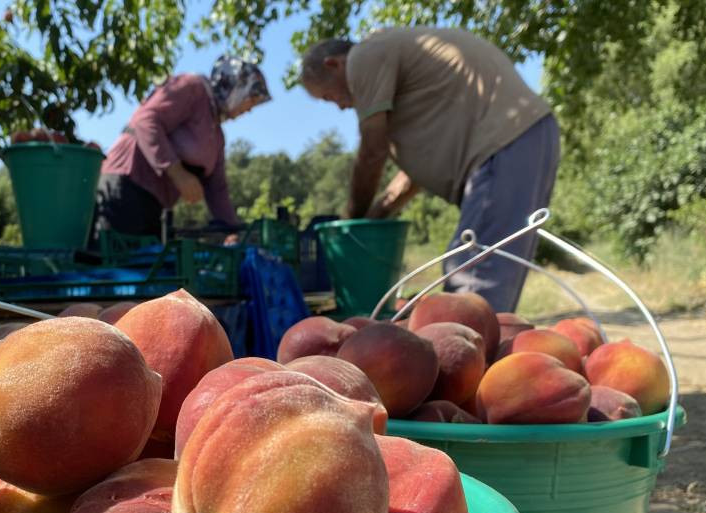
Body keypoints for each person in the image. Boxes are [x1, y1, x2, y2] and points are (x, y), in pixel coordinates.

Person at [300, 28, 560, 313]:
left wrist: (352, 219)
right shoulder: (403, 74)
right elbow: (408, 178)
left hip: (504, 146)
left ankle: (469, 351)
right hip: (520, 141)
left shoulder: (363, 55)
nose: (338, 106)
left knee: (471, 284)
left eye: (328, 96)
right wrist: (379, 212)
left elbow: (373, 151)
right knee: (486, 286)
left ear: (333, 64)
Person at [93, 56, 271, 247]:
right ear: (235, 87)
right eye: (251, 99)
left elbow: (217, 189)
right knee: (115, 265)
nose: (250, 109)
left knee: (144, 268)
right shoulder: (192, 87)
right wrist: (177, 173)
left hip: (154, 204)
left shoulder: (217, 135)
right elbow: (145, 121)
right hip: (125, 186)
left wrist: (232, 231)